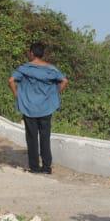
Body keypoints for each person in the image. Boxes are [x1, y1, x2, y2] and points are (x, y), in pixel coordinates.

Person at [9, 43, 67, 174]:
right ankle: (46, 167)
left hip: (29, 108)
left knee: (32, 137)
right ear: (42, 54)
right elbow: (64, 81)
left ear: (31, 53)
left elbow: (11, 80)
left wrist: (17, 95)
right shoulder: (51, 69)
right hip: (46, 108)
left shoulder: (24, 68)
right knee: (45, 137)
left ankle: (34, 167)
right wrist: (55, 93)